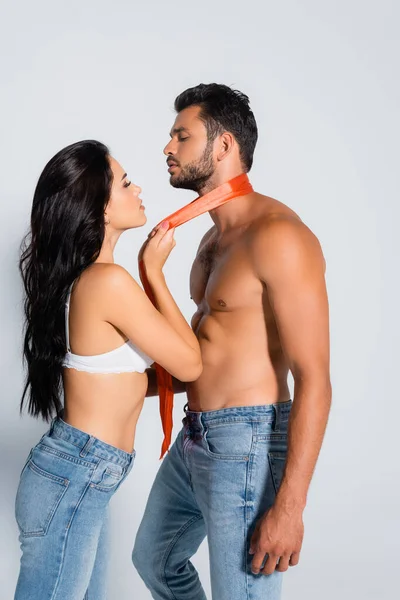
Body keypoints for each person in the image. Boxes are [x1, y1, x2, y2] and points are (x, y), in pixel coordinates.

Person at [132, 84, 332, 600]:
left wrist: (289, 508)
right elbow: (203, 355)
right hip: (195, 437)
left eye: (182, 135)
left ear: (222, 148)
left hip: (247, 442)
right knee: (154, 559)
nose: (167, 148)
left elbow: (315, 379)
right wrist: (119, 388)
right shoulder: (208, 239)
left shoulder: (279, 236)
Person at [14, 139, 202, 600]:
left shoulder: (88, 280)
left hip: (80, 473)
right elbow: (190, 364)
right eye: (124, 182)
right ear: (97, 206)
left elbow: (128, 379)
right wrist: (154, 272)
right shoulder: (108, 282)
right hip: (76, 475)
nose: (138, 188)